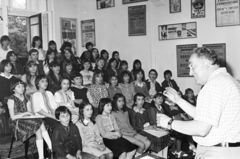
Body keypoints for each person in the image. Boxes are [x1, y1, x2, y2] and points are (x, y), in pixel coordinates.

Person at [157, 47, 240, 159]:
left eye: (192, 66)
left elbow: (201, 128)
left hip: (216, 153)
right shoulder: (228, 81)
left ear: (206, 63)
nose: (191, 72)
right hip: (229, 151)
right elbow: (204, 115)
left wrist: (169, 123)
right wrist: (178, 99)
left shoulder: (213, 85)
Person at [7, 78, 52, 159]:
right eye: (18, 87)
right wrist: (26, 113)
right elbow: (12, 117)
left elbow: (30, 111)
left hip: (26, 119)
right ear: (13, 89)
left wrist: (32, 113)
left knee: (39, 122)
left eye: (22, 86)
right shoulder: (11, 99)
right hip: (17, 122)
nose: (22, 88)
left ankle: (42, 156)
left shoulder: (25, 97)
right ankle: (50, 146)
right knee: (38, 125)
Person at [0, 59, 16, 134]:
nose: (9, 67)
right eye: (7, 66)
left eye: (10, 65)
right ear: (3, 67)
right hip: (3, 100)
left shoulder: (13, 78)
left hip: (12, 99)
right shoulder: (0, 77)